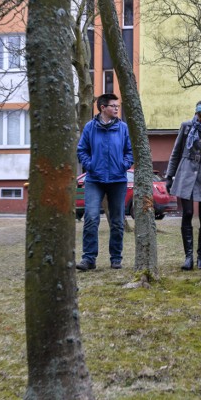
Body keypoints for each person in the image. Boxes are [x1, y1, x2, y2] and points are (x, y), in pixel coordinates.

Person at [76, 93, 134, 271]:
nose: (117, 108)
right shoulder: (90, 128)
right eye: (113, 106)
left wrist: (123, 166)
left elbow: (129, 152)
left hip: (117, 180)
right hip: (95, 179)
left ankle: (116, 258)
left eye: (118, 106)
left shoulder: (123, 128)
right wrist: (90, 165)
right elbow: (82, 150)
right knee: (91, 218)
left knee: (117, 220)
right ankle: (89, 259)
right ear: (102, 108)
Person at [166, 100, 201, 270]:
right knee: (188, 213)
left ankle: (200, 256)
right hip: (186, 172)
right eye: (200, 116)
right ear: (196, 113)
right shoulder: (186, 127)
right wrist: (170, 175)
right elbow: (175, 152)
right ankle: (188, 256)